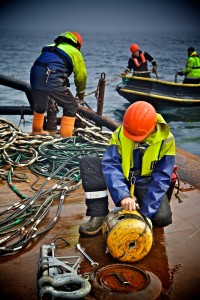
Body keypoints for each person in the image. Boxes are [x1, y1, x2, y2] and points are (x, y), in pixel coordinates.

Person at [79, 101, 176, 237]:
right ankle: (98, 214)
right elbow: (110, 164)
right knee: (88, 163)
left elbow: (162, 177)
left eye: (139, 137)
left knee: (162, 218)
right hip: (122, 177)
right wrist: (123, 195)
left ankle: (142, 212)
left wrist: (146, 214)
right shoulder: (120, 133)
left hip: (145, 181)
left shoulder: (167, 140)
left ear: (153, 126)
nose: (135, 140)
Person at [30, 31, 87, 136]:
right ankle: (66, 139)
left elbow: (44, 64)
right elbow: (81, 77)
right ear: (77, 45)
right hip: (52, 78)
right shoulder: (75, 52)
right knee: (71, 106)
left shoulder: (47, 47)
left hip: (34, 76)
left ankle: (37, 131)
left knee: (41, 104)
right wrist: (80, 95)